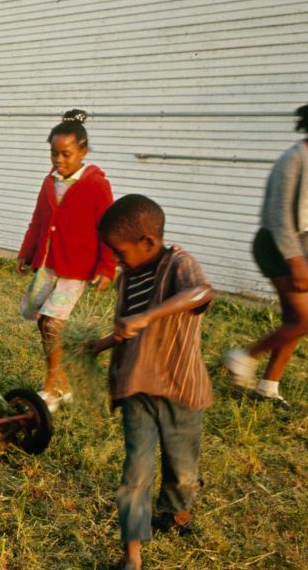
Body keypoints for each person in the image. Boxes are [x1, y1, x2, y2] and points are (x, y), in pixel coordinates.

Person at [90, 194, 214, 570]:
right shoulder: (129, 277)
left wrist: (148, 317)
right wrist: (102, 343)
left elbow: (202, 293)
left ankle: (177, 513)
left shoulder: (180, 263)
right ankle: (132, 556)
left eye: (119, 251)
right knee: (136, 473)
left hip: (180, 388)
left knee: (183, 470)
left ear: (148, 242)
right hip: (137, 388)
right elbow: (129, 328)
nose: (115, 259)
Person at [224, 96, 308, 407]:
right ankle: (242, 356)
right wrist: (296, 262)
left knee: (294, 319)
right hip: (273, 244)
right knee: (306, 320)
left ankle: (268, 387)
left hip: (293, 247)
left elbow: (306, 223)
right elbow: (280, 216)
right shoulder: (293, 159)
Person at [16, 110, 116, 412]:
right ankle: (61, 380)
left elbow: (109, 229)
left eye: (66, 154)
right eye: (54, 153)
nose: (59, 160)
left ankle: (50, 386)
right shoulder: (49, 182)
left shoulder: (96, 185)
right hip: (48, 264)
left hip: (76, 268)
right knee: (42, 320)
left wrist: (107, 268)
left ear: (82, 152)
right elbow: (38, 220)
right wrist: (26, 251)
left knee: (52, 322)